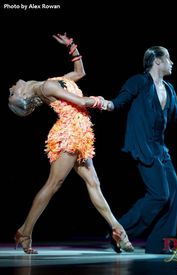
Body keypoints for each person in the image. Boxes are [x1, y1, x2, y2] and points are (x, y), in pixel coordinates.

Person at [8, 33, 134, 254]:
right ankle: (25, 231)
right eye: (11, 93)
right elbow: (82, 101)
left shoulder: (49, 82)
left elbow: (79, 73)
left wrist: (72, 47)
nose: (11, 87)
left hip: (80, 133)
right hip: (68, 134)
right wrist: (105, 103)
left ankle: (117, 229)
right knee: (53, 185)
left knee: (93, 184)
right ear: (23, 96)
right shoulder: (46, 88)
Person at [105, 45, 177, 254]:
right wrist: (104, 104)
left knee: (174, 195)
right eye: (169, 58)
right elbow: (118, 102)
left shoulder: (168, 88)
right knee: (160, 195)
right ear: (157, 60)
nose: (172, 62)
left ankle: (158, 244)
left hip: (160, 149)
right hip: (142, 147)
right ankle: (119, 230)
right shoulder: (139, 82)